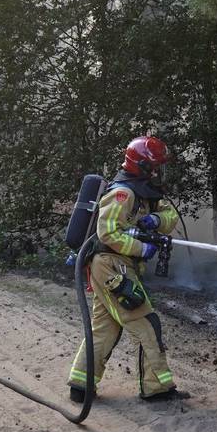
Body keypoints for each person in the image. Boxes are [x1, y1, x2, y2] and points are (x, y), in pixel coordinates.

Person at [67, 136, 189, 402]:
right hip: (111, 266)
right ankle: (157, 389)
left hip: (119, 266)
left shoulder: (145, 191)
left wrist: (155, 219)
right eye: (154, 167)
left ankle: (81, 385)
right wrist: (141, 249)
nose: (157, 172)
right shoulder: (123, 193)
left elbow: (171, 217)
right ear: (141, 165)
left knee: (105, 327)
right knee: (146, 323)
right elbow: (107, 233)